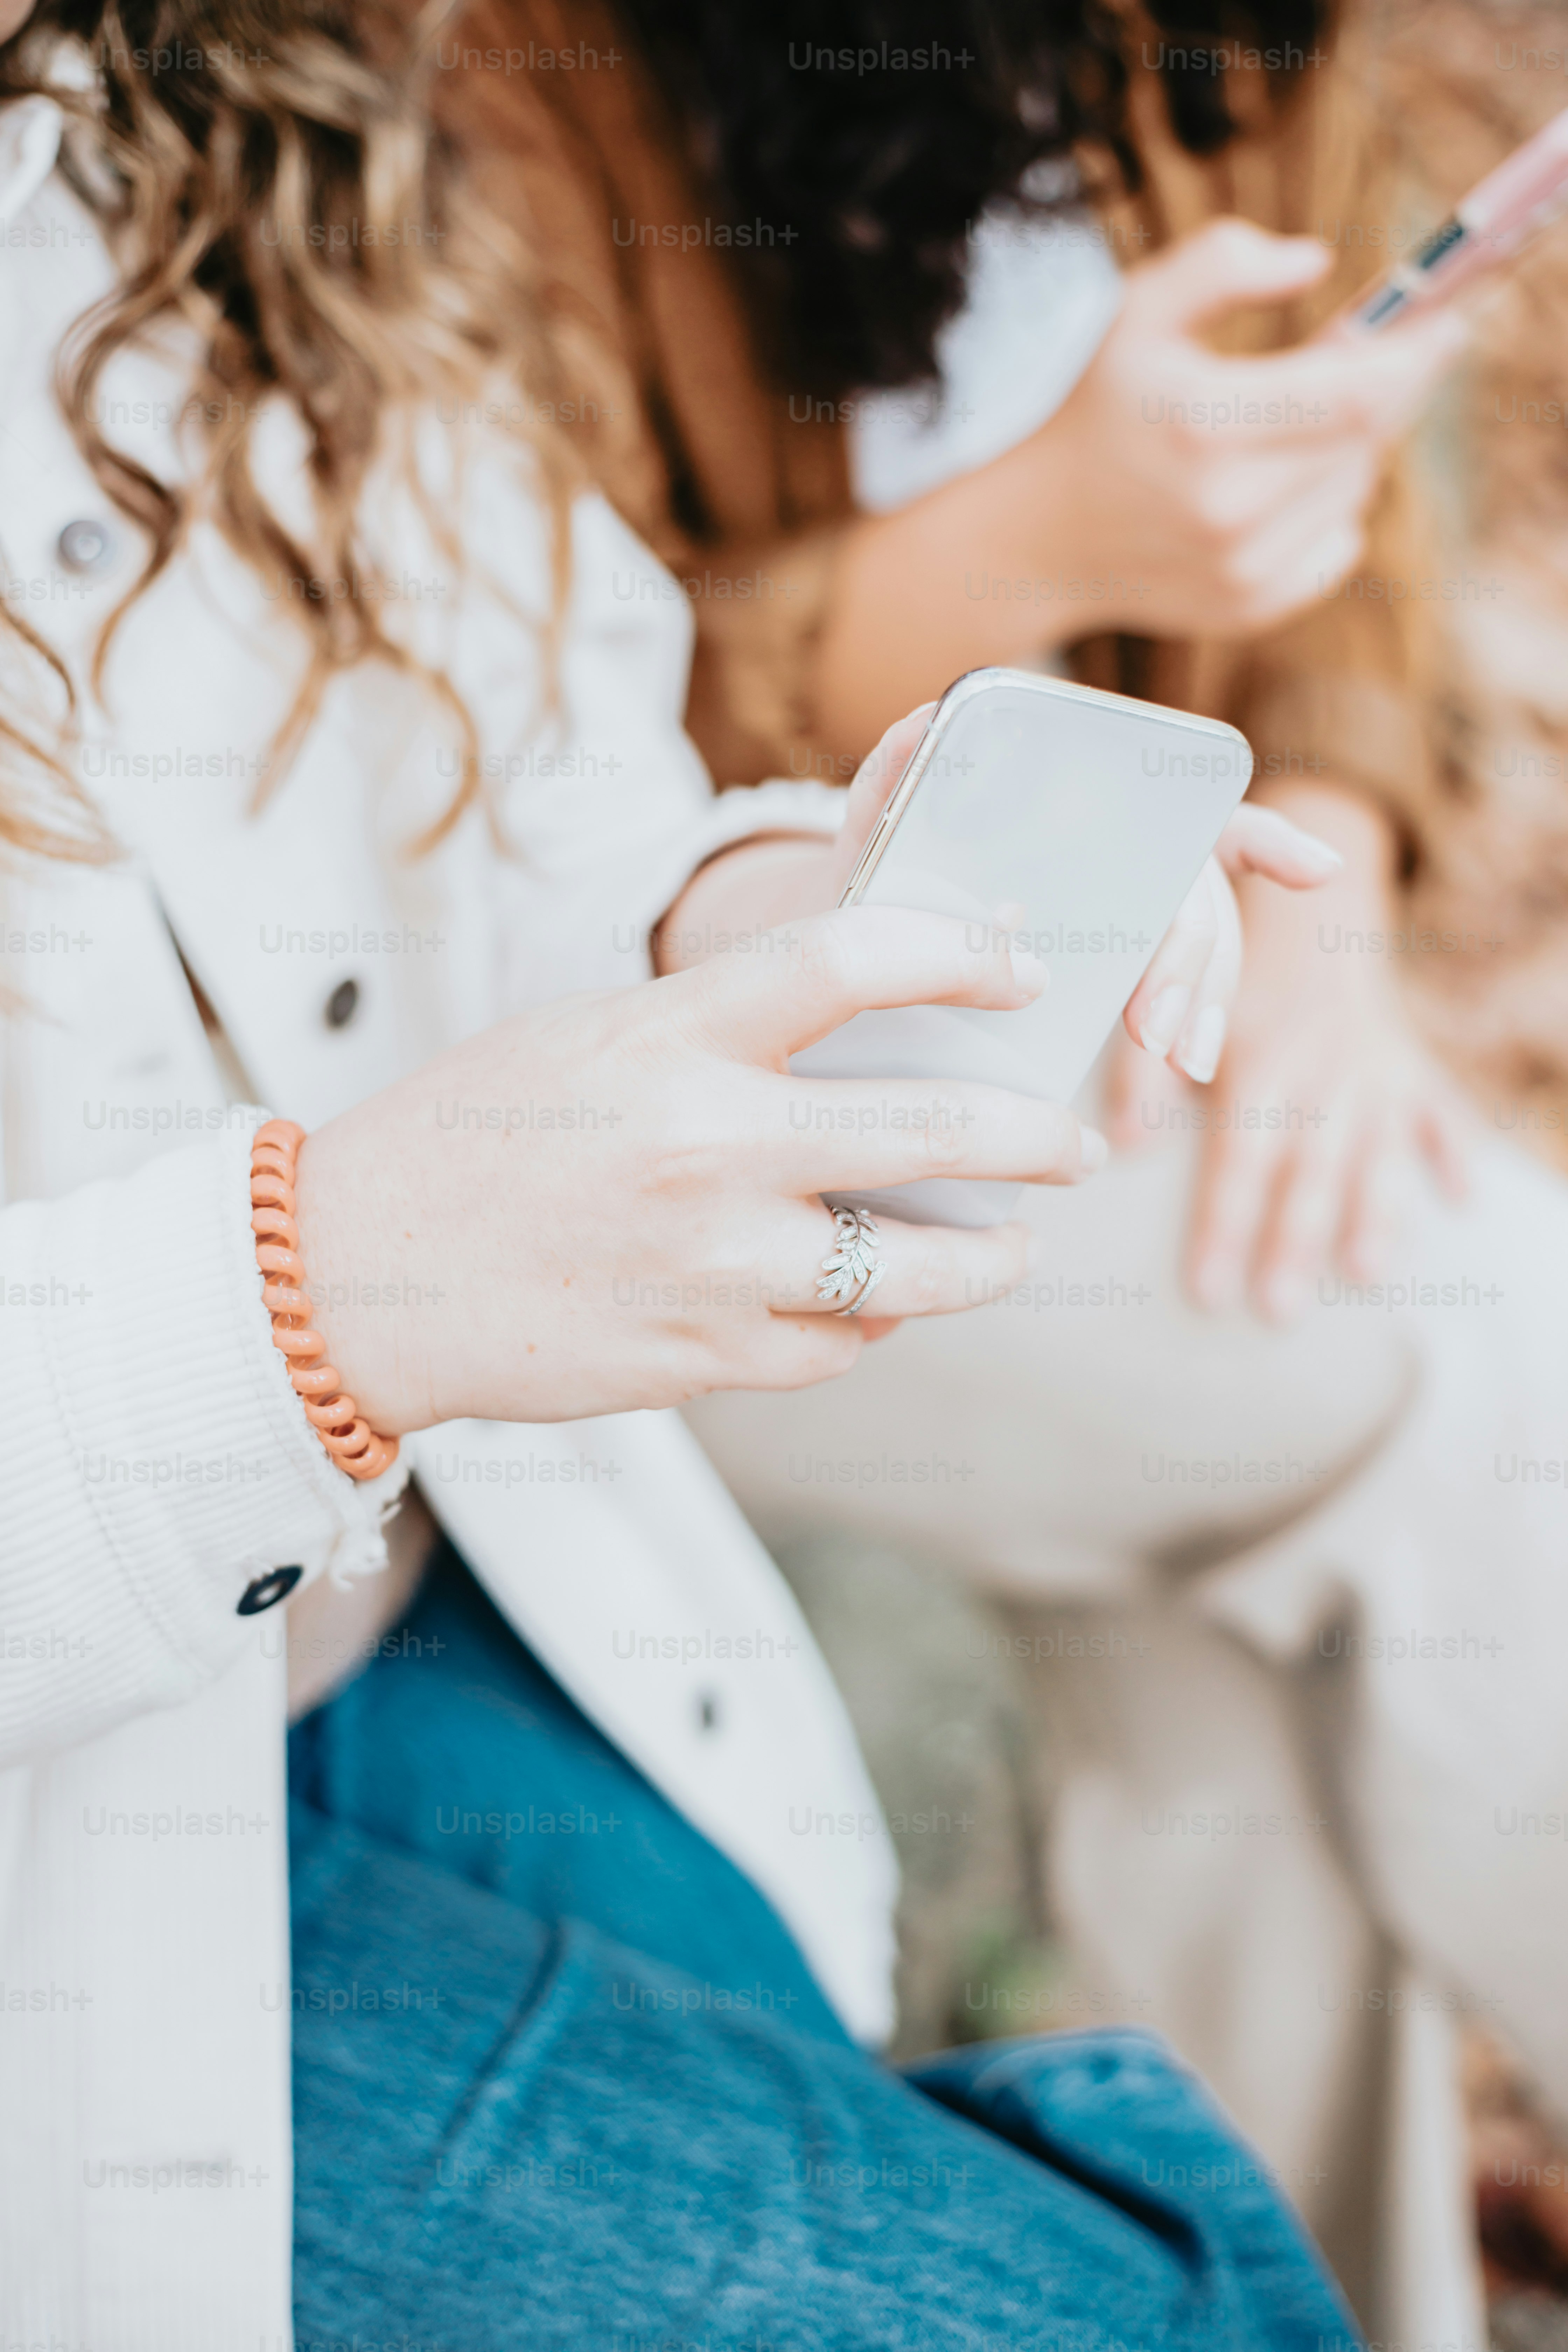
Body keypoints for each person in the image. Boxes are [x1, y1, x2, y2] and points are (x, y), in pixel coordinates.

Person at [0, 0, 1356, 2342]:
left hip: (389, 1592)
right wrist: (320, 1294)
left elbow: (551, 782)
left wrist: (789, 910)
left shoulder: (228, 126)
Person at [435, 0, 1568, 2336]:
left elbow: (1345, 493)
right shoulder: (491, 88)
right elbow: (500, 784)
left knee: (1225, 1743)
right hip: (619, 1106)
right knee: (1475, 1363)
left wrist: (1328, 848)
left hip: (1111, 1017)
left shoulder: (1220, 39)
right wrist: (1029, 541)